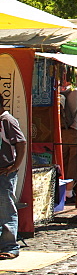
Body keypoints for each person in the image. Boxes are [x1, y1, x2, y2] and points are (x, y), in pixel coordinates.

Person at [0, 93, 27, 259]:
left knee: (6, 208)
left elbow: (21, 142)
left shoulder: (7, 120)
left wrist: (15, 166)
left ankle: (10, 246)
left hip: (4, 172)